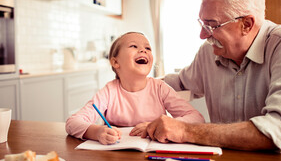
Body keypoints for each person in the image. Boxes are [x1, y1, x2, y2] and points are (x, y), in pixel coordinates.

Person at [141, 0, 281, 153]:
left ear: (246, 24)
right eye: (202, 24)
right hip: (230, 160)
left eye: (212, 26)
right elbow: (179, 83)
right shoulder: (208, 52)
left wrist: (185, 130)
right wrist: (133, 81)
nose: (203, 35)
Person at [66, 32, 205, 145]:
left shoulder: (160, 88)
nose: (143, 50)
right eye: (133, 46)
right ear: (115, 62)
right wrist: (96, 132)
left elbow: (197, 118)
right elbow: (72, 123)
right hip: (116, 158)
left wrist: (162, 125)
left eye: (148, 48)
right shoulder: (109, 91)